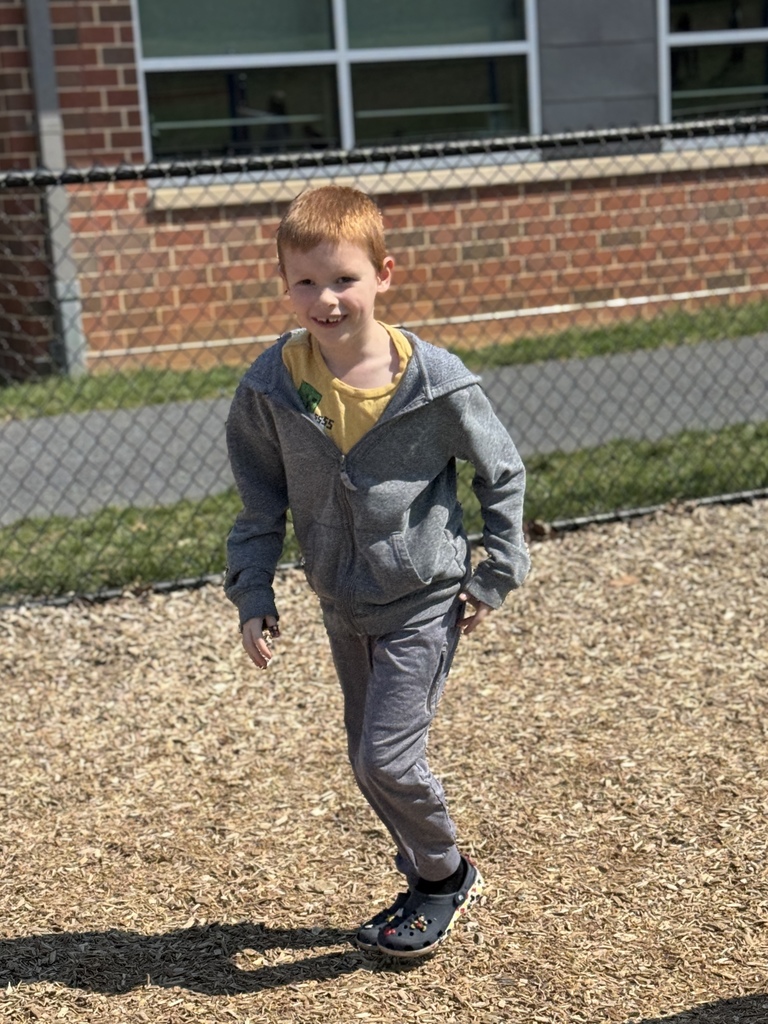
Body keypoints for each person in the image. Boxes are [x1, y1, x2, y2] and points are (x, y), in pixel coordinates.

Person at [224, 185, 530, 959]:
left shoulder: (433, 382)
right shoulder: (272, 388)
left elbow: (502, 471)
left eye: (344, 279)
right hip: (340, 601)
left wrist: (496, 571)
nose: (326, 300)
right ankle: (430, 872)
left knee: (387, 757)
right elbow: (259, 502)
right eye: (306, 282)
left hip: (424, 596)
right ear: (284, 285)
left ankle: (442, 877)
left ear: (384, 275)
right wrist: (252, 592)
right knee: (369, 762)